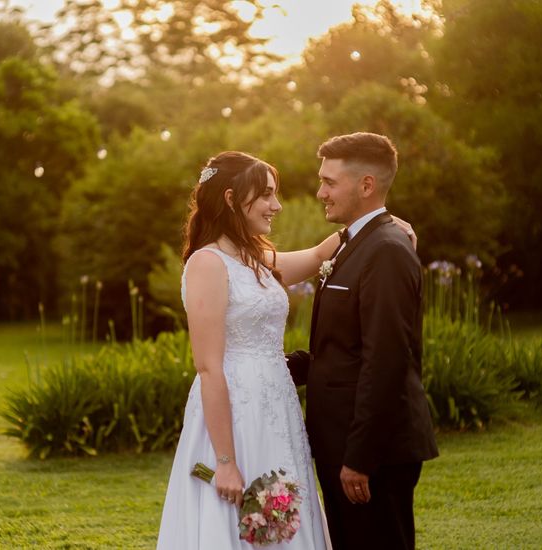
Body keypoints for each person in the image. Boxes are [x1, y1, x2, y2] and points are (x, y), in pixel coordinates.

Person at [156, 151, 416, 549]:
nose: (276, 205)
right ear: (230, 199)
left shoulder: (251, 257)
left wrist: (379, 225)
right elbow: (209, 368)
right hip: (237, 422)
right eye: (267, 195)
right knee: (242, 522)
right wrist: (224, 463)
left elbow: (315, 257)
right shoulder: (207, 264)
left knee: (283, 522)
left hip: (277, 412)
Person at [286, 132, 439, 550]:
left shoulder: (386, 250)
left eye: (329, 182)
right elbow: (345, 350)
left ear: (366, 185)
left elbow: (386, 361)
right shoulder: (360, 243)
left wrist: (360, 458)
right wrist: (271, 367)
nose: (320, 192)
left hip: (373, 454)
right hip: (345, 443)